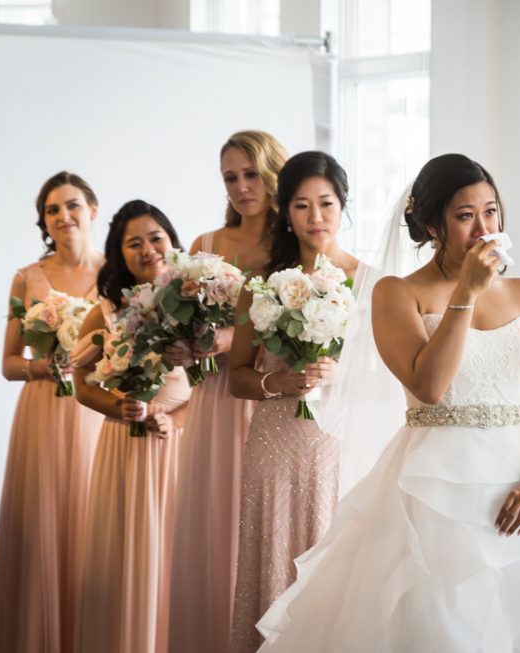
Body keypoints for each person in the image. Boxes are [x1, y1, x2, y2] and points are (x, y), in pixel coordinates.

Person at [251, 153, 520, 652]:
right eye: (465, 216)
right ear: (430, 224)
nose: (484, 228)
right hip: (433, 488)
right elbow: (431, 387)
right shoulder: (395, 293)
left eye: (490, 212)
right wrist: (465, 292)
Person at [228, 151, 359, 653]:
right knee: (274, 559)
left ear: (343, 205)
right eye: (302, 206)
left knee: (334, 562)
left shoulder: (370, 282)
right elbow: (237, 377)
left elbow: (390, 372)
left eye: (326, 203)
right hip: (276, 439)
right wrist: (277, 384)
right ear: (286, 212)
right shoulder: (261, 285)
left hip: (342, 442)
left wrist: (338, 373)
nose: (316, 217)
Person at [167, 130, 288, 653]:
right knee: (213, 521)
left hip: (268, 395)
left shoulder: (291, 243)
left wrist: (228, 338)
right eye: (231, 178)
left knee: (258, 525)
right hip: (216, 400)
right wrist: (185, 344)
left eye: (251, 174)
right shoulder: (205, 246)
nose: (242, 187)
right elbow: (181, 324)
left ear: (271, 173)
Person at [0, 172, 105, 653]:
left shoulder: (116, 271)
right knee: (44, 524)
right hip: (43, 415)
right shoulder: (27, 278)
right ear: (44, 221)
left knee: (96, 522)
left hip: (98, 411)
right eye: (52, 210)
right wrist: (44, 368)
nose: (63, 216)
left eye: (72, 205)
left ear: (92, 209)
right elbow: (9, 364)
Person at [71, 200, 191, 653]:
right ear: (119, 253)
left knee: (177, 555)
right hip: (124, 448)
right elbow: (82, 387)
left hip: (182, 445)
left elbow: (212, 386)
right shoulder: (104, 311)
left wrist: (174, 417)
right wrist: (117, 406)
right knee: (124, 560)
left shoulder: (195, 306)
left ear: (171, 240)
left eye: (155, 237)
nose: (147, 249)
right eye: (133, 243)